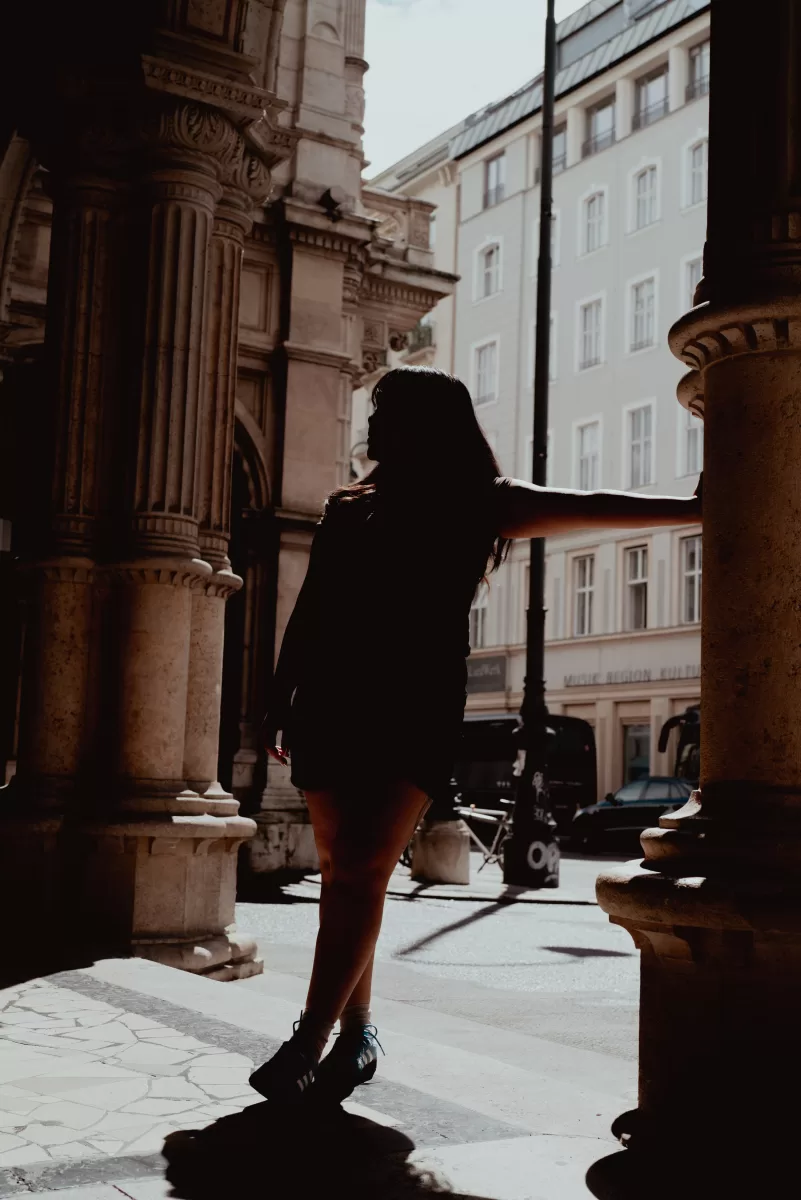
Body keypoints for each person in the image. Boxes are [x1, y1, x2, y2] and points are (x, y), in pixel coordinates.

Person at [249, 366, 702, 1105]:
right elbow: (312, 609)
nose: (373, 423)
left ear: (425, 424)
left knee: (360, 866)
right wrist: (277, 699)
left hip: (415, 705)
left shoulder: (479, 501)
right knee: (342, 871)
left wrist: (692, 507)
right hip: (331, 701)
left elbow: (587, 505)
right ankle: (356, 1032)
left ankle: (309, 1039)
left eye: (387, 410)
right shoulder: (346, 507)